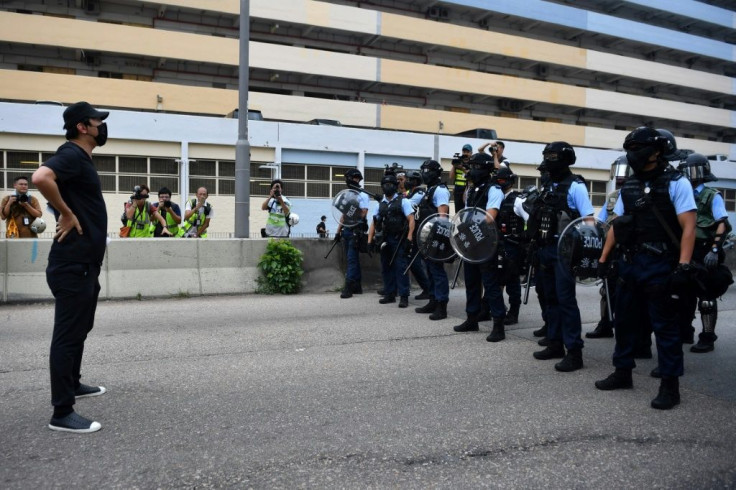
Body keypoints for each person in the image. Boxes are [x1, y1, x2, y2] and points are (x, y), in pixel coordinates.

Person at [595, 127, 696, 410]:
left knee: (665, 328)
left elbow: (688, 227)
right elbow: (619, 223)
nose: (632, 154)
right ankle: (622, 372)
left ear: (657, 151)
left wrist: (684, 266)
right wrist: (604, 259)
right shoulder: (629, 185)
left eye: (638, 148)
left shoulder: (677, 182)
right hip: (630, 263)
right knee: (624, 322)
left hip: (661, 264)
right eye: (629, 148)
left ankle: (669, 386)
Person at [32, 101, 110, 433]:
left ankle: (73, 383)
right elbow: (40, 176)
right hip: (72, 263)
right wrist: (64, 212)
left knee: (80, 329)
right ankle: (61, 412)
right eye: (97, 121)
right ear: (82, 126)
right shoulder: (72, 154)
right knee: (66, 336)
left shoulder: (81, 159)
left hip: (83, 263)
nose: (101, 127)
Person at [527, 142, 594, 371]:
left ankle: (574, 352)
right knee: (550, 298)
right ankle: (555, 343)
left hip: (565, 250)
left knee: (566, 301)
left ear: (565, 159)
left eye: (552, 156)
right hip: (545, 247)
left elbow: (589, 222)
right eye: (546, 155)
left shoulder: (576, 186)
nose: (548, 160)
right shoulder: (547, 185)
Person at [677, 153, 731, 353]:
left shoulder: (711, 195)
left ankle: (707, 336)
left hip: (705, 250)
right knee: (683, 293)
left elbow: (722, 224)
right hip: (685, 249)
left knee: (706, 297)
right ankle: (685, 331)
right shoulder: (682, 194)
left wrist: (715, 250)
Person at [452, 152, 507, 342]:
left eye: (476, 167)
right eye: (471, 166)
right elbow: (466, 213)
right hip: (471, 243)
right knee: (472, 282)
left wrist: (474, 229)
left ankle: (498, 324)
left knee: (491, 285)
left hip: (487, 244)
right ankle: (472, 319)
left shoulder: (494, 190)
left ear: (485, 169)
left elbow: (490, 216)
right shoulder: (473, 190)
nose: (472, 170)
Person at [367, 173, 416, 308]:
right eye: (385, 185)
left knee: (401, 267)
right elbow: (374, 222)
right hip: (385, 239)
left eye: (390, 185)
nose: (387, 187)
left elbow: (411, 219)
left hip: (399, 239)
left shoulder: (403, 201)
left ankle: (404, 296)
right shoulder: (380, 204)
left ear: (395, 186)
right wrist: (369, 241)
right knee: (386, 267)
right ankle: (389, 294)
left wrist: (409, 238)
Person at [414, 159, 452, 320]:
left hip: (436, 236)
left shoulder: (440, 190)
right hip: (426, 236)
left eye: (428, 170)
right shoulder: (428, 191)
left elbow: (442, 216)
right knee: (429, 269)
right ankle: (433, 300)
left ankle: (441, 305)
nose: (424, 173)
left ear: (436, 173)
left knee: (437, 271)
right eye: (423, 170)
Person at [495, 167, 528, 326]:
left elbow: (530, 219)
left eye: (502, 180)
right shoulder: (496, 198)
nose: (500, 183)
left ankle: (514, 312)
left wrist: (523, 237)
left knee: (512, 280)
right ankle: (498, 308)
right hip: (499, 243)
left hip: (514, 245)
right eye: (498, 180)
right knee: (497, 278)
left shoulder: (518, 200)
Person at [336, 169, 369, 298]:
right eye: (349, 178)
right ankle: (357, 286)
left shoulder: (363, 195)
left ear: (357, 179)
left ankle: (348, 288)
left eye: (353, 178)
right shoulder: (347, 194)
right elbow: (344, 215)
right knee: (352, 260)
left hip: (357, 230)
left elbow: (363, 214)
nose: (350, 180)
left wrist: (352, 207)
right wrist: (338, 232)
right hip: (347, 229)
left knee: (351, 260)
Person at [403, 170, 432, 300]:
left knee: (418, 262)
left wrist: (401, 199)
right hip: (414, 231)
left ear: (414, 181)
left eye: (408, 179)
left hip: (422, 232)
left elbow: (408, 205)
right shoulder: (411, 193)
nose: (406, 181)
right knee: (412, 261)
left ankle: (428, 289)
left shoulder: (419, 193)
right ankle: (427, 289)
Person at [450, 144, 472, 212]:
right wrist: (454, 165)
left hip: (468, 189)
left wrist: (462, 169)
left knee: (467, 210)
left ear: (471, 153)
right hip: (458, 189)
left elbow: (471, 176)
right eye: (464, 152)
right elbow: (451, 177)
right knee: (458, 211)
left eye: (467, 152)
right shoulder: (459, 161)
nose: (465, 154)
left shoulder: (472, 162)